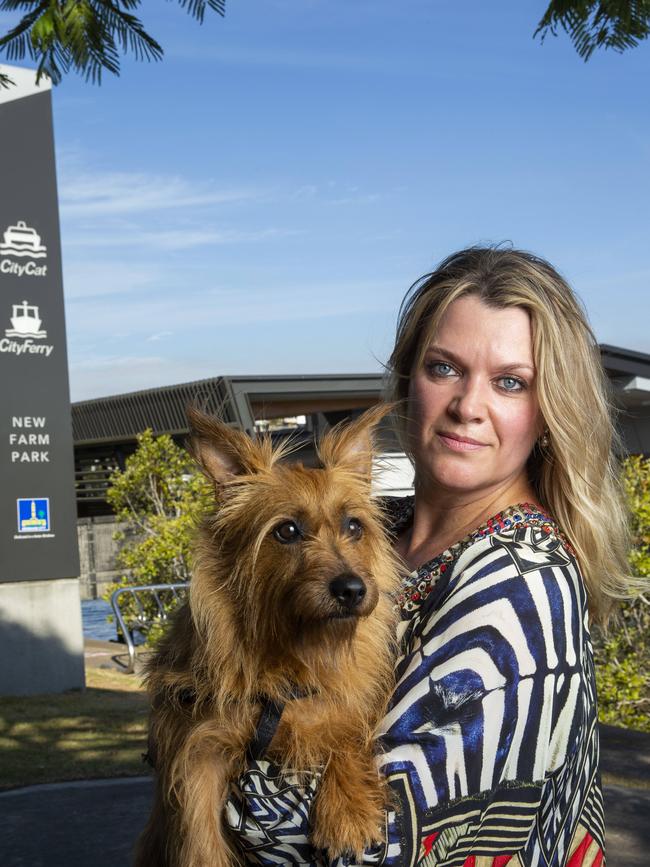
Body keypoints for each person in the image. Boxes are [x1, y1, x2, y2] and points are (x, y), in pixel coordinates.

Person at [225, 246, 630, 867]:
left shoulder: (520, 584)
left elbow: (371, 845)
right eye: (444, 369)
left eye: (510, 382)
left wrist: (204, 755)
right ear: (407, 380)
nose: (469, 405)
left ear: (548, 413)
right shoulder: (380, 533)